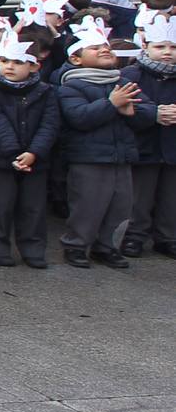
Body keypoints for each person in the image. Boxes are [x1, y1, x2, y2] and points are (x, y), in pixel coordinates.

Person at [56, 22, 140, 268]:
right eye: (95, 48)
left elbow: (142, 111)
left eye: (106, 46)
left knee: (121, 205)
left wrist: (134, 111)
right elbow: (79, 117)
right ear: (76, 58)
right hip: (89, 157)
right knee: (88, 204)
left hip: (121, 155)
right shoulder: (70, 86)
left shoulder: (121, 81)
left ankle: (108, 246)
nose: (104, 50)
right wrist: (111, 104)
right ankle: (76, 244)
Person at [0, 33, 59, 269]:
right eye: (4, 61)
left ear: (34, 66)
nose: (9, 66)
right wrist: (13, 151)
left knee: (33, 207)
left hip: (35, 159)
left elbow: (49, 124)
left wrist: (34, 152)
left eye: (17, 62)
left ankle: (32, 247)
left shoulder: (46, 91)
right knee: (0, 205)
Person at [125, 19, 176, 259]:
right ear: (146, 47)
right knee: (140, 197)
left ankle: (168, 237)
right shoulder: (131, 74)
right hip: (144, 144)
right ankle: (134, 236)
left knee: (171, 197)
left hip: (172, 146)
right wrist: (154, 113)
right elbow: (128, 106)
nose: (167, 52)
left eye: (173, 48)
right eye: (161, 47)